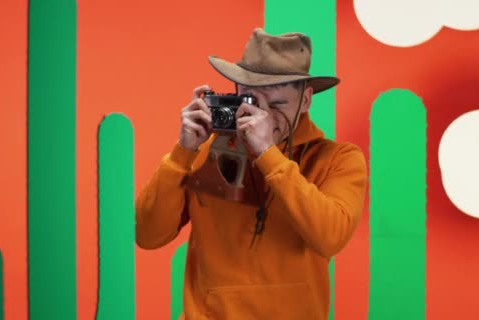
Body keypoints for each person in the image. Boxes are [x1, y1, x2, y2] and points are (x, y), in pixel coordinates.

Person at [135, 28, 368, 320]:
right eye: (253, 103)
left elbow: (329, 237)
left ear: (306, 100)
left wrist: (268, 155)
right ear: (236, 93)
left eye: (278, 104)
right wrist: (183, 151)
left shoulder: (338, 159)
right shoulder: (208, 152)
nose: (263, 116)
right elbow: (148, 234)